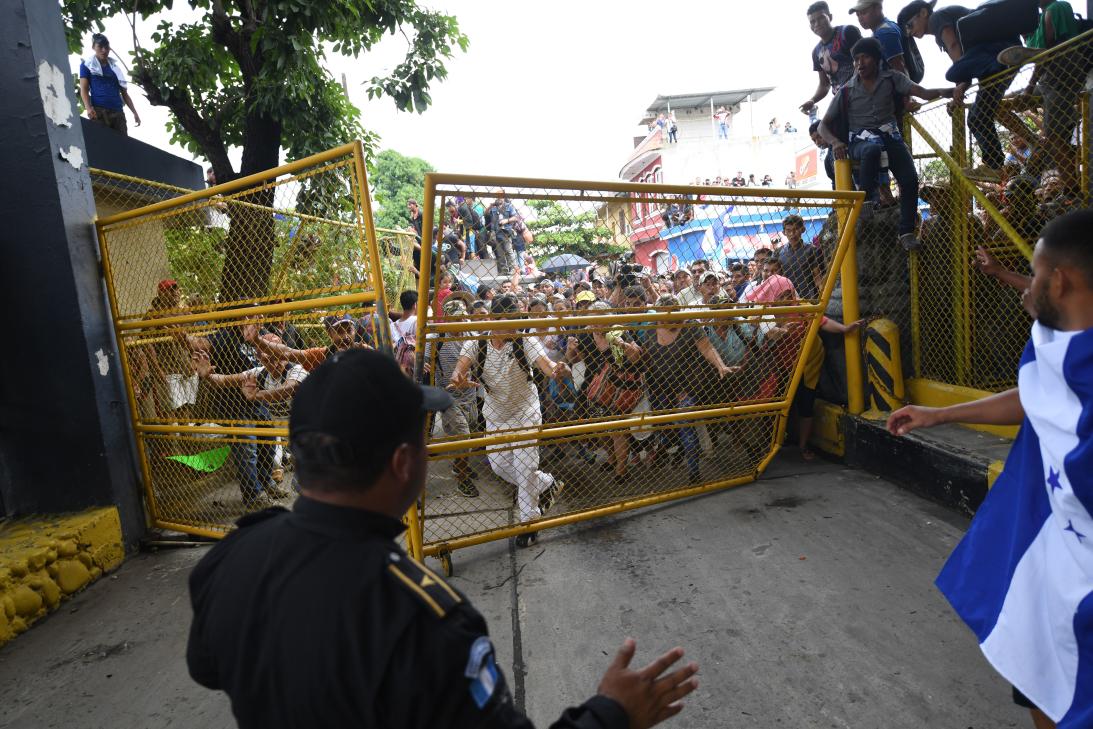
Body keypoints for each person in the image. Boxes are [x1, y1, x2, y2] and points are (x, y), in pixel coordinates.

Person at [186, 348, 699, 729]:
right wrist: (611, 713)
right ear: (404, 464)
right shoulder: (422, 619)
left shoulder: (231, 557)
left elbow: (206, 666)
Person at [886, 209, 1093, 729]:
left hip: (1077, 574)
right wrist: (939, 414)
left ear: (1060, 281)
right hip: (1048, 568)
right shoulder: (1058, 344)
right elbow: (1033, 397)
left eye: (1035, 276)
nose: (1027, 290)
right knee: (1042, 680)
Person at [449, 295, 571, 547]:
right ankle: (547, 483)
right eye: (511, 320)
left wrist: (558, 370)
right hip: (496, 415)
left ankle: (529, 522)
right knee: (500, 466)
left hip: (526, 410)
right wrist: (458, 376)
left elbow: (547, 366)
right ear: (495, 319)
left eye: (518, 319)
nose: (516, 325)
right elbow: (459, 367)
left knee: (525, 467)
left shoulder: (523, 340)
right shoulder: (477, 342)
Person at [819, 37, 954, 250]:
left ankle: (906, 232)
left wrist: (945, 91)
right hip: (861, 142)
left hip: (890, 137)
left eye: (865, 57)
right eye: (856, 59)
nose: (860, 63)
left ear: (877, 59)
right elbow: (822, 126)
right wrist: (835, 142)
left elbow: (922, 92)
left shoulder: (892, 79)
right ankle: (865, 203)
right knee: (872, 149)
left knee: (910, 180)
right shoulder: (847, 90)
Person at [899, 0, 1018, 183]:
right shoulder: (941, 29)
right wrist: (960, 85)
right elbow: (961, 61)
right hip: (993, 63)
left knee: (972, 106)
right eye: (906, 31)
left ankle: (993, 166)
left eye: (909, 25)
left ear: (923, 13)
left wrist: (960, 84)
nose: (910, 32)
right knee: (979, 114)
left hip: (995, 55)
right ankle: (997, 164)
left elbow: (955, 48)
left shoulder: (938, 18)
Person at [803, 2, 865, 116]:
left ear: (830, 17)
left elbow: (865, 62)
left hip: (863, 97)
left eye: (821, 18)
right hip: (841, 103)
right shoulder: (816, 52)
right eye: (812, 21)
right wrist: (812, 100)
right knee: (821, 129)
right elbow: (824, 84)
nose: (817, 24)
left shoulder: (847, 32)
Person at [78, 34, 140, 135]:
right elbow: (84, 89)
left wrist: (134, 112)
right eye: (100, 47)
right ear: (94, 47)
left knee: (122, 146)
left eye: (106, 47)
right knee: (101, 144)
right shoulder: (86, 65)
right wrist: (88, 108)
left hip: (118, 113)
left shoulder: (115, 69)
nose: (104, 50)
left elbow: (124, 93)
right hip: (99, 111)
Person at [777, 214, 825, 300]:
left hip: (809, 298)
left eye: (796, 229)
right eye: (788, 230)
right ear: (784, 233)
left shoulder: (813, 250)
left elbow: (818, 277)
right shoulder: (778, 253)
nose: (792, 234)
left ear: (802, 230)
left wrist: (823, 299)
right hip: (786, 299)